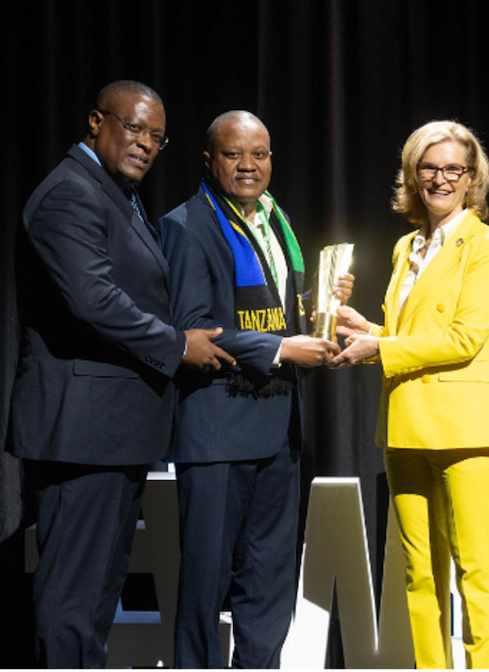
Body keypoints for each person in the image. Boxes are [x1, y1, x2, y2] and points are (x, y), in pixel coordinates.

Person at [9, 80, 233, 668]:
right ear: (94, 122)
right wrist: (177, 345)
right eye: (134, 127)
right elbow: (93, 300)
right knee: (71, 602)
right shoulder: (69, 194)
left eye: (157, 137)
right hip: (82, 433)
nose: (145, 144)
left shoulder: (113, 193)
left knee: (95, 600)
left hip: (113, 434)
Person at [158, 110, 349, 668]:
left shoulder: (273, 219)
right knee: (204, 588)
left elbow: (276, 311)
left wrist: (322, 307)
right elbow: (194, 325)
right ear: (208, 160)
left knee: (268, 589)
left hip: (277, 430)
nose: (248, 165)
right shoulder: (186, 225)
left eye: (259, 154)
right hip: (217, 430)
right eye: (234, 154)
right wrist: (282, 349)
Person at [332, 120, 489, 668]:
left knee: (476, 573)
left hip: (467, 431)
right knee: (419, 574)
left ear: (471, 177)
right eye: (429, 167)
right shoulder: (405, 246)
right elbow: (411, 335)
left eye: (454, 168)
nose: (441, 178)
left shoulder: (488, 245)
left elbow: (462, 338)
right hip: (407, 425)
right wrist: (369, 330)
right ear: (413, 174)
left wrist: (379, 351)